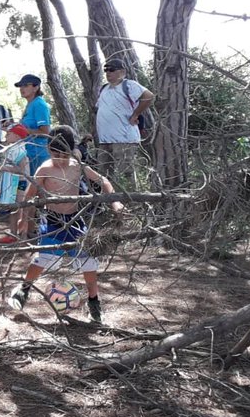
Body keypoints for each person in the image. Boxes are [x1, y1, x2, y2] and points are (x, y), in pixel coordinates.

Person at [9, 125, 121, 324]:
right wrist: (23, 220)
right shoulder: (45, 169)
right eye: (55, 154)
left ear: (70, 151)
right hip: (53, 221)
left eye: (64, 155)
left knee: (88, 261)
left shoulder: (77, 166)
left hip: (75, 220)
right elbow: (29, 196)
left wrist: (115, 202)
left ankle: (94, 301)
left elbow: (103, 181)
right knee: (44, 257)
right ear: (48, 150)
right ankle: (24, 289)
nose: (60, 159)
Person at [95, 58, 154, 190]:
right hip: (105, 140)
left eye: (111, 69)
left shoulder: (129, 85)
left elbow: (148, 96)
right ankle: (108, 200)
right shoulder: (104, 89)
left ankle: (131, 200)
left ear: (122, 71)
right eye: (106, 70)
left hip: (124, 139)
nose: (108, 72)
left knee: (126, 174)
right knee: (104, 176)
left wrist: (135, 114)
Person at [15, 74, 51, 239]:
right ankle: (30, 231)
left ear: (36, 87)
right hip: (29, 154)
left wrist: (23, 131)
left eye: (26, 85)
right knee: (30, 194)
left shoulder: (39, 105)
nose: (22, 89)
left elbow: (45, 132)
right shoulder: (30, 105)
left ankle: (45, 230)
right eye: (20, 86)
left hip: (39, 154)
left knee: (39, 194)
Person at [0, 124, 31, 243]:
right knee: (13, 208)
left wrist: (3, 168)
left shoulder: (20, 151)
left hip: (20, 182)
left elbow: (21, 170)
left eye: (9, 134)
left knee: (20, 208)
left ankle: (22, 234)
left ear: (17, 136)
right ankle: (13, 233)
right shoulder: (11, 149)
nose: (6, 136)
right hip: (12, 182)